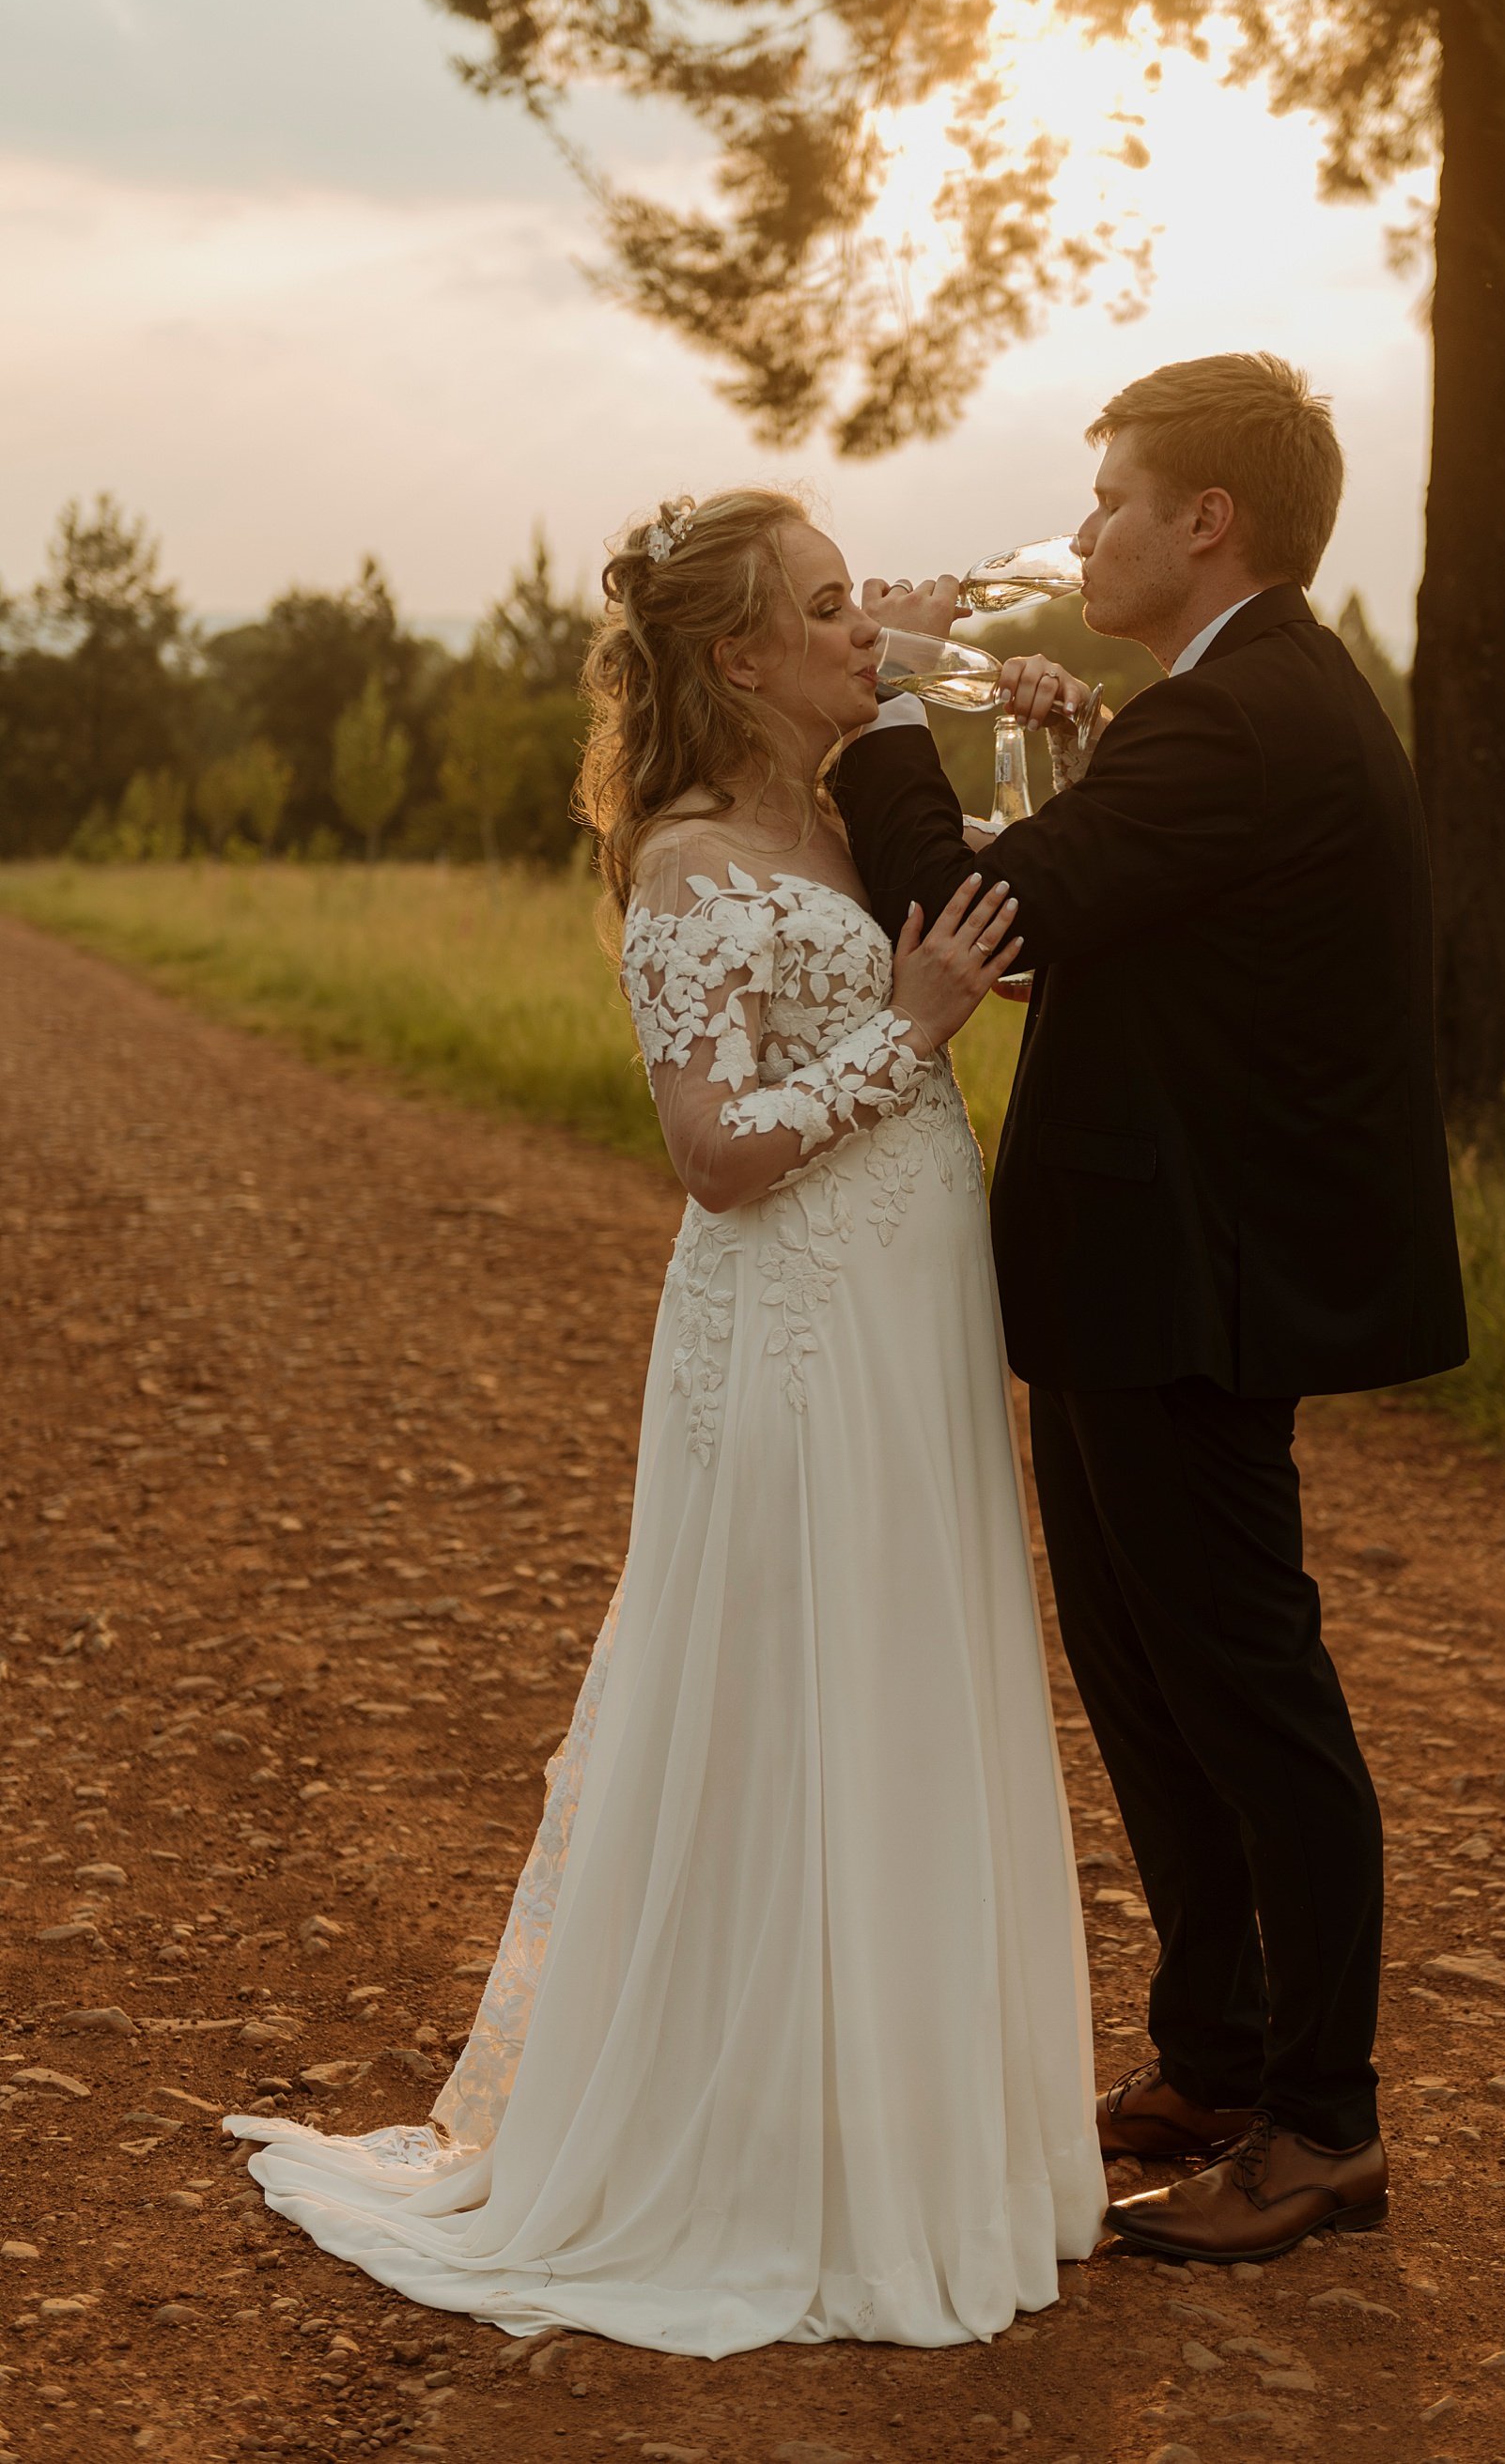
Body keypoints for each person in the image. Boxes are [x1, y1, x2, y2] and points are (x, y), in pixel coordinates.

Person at [225, 488, 1108, 2352]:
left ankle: (905, 2130)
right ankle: (753, 2156)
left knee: (910, 1669)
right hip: (791, 1325)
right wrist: (911, 1030)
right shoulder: (698, 858)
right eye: (821, 607)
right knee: (794, 1691)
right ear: (732, 655)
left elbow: (995, 918)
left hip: (911, 1313)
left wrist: (1037, 736)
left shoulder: (840, 803)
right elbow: (713, 1155)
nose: (860, 624)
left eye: (856, 596)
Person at [835, 353, 1468, 2267]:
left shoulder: (1242, 719)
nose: (1084, 522)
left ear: (1208, 520)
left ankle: (1326, 2123)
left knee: (1250, 1695)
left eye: (1110, 493)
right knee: (1149, 1677)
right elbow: (1107, 928)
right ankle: (1212, 2057)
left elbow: (969, 923)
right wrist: (1050, 748)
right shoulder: (1219, 708)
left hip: (1200, 1283)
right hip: (1143, 1279)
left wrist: (881, 702)